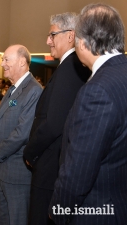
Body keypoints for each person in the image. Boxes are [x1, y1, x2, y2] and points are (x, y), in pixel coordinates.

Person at [48, 3, 127, 225]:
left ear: (82, 43)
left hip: (96, 211)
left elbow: (79, 171)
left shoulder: (97, 90)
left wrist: (58, 211)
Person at [23, 12, 91, 225]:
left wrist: (30, 152)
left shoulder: (70, 69)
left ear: (71, 36)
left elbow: (53, 123)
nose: (47, 40)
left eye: (52, 34)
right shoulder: (69, 67)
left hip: (49, 166)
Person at [0, 44, 43, 225]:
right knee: (3, 218)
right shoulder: (13, 89)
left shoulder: (33, 90)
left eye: (6, 59)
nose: (2, 64)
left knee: (17, 219)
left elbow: (22, 133)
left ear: (22, 62)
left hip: (17, 171)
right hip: (3, 168)